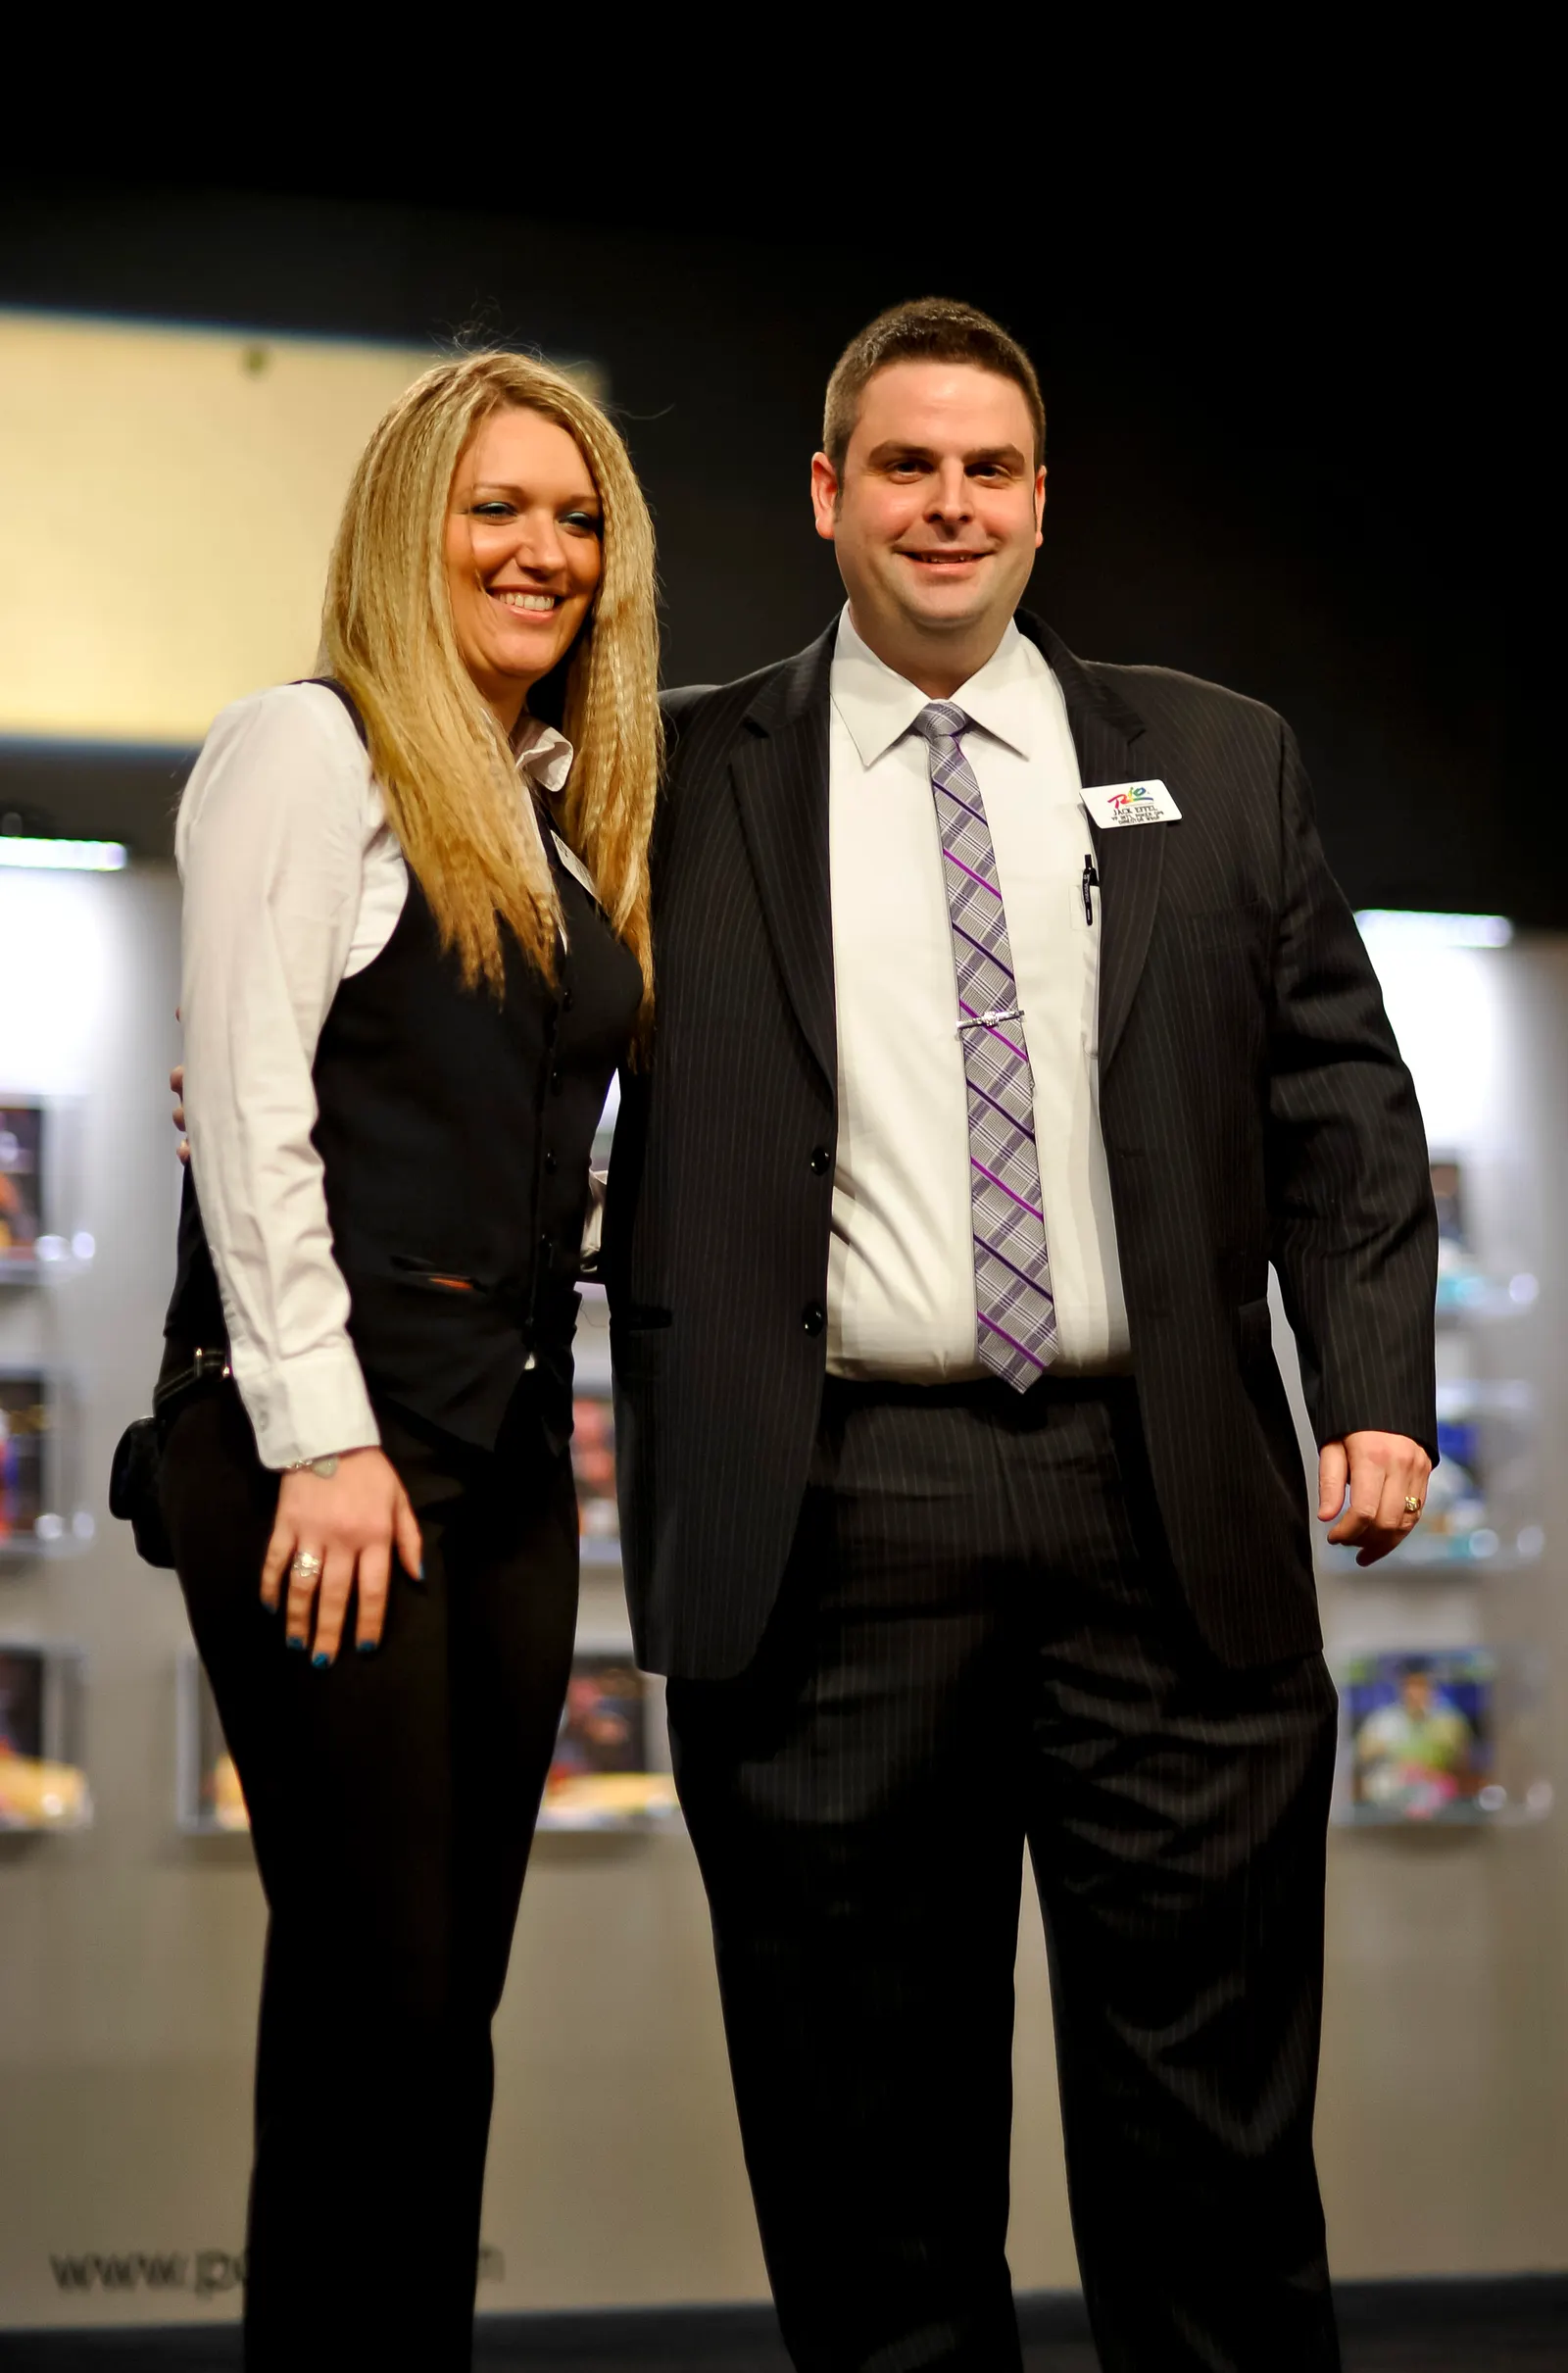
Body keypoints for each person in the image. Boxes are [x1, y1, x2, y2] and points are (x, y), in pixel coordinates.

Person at [603, 299, 1438, 2371]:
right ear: (826, 494)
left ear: (1043, 502)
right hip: (827, 1522)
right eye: (905, 465)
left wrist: (1370, 1389)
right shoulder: (672, 772)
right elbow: (509, 1027)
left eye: (988, 469)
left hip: (1164, 1507)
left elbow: (1337, 1098)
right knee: (865, 2162)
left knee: (1214, 2159)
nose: (947, 505)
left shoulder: (1216, 759)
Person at [159, 351, 659, 2370]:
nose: (544, 549)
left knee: (432, 2008)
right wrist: (323, 1438)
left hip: (508, 1462)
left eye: (578, 516)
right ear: (405, 525)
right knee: (387, 1996)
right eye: (496, 506)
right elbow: (250, 1109)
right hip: (333, 1455)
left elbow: (519, 1148)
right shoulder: (308, 747)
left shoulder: (548, 809)